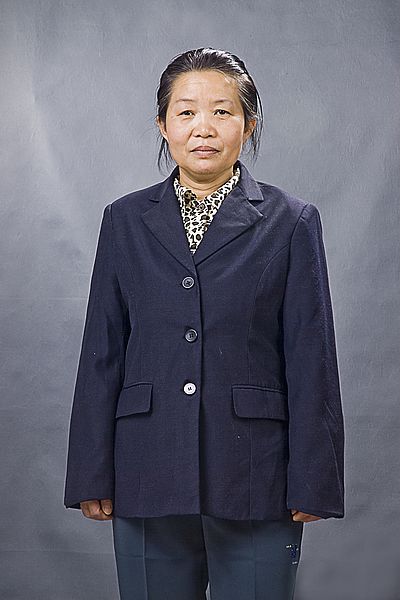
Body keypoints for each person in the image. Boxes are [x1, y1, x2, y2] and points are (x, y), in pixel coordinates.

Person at [64, 47, 345, 600]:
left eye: (223, 111)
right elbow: (103, 348)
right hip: (146, 465)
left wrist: (314, 478)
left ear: (248, 125)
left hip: (257, 473)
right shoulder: (123, 219)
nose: (204, 129)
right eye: (186, 112)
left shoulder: (292, 221)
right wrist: (91, 472)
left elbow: (312, 358)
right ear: (163, 126)